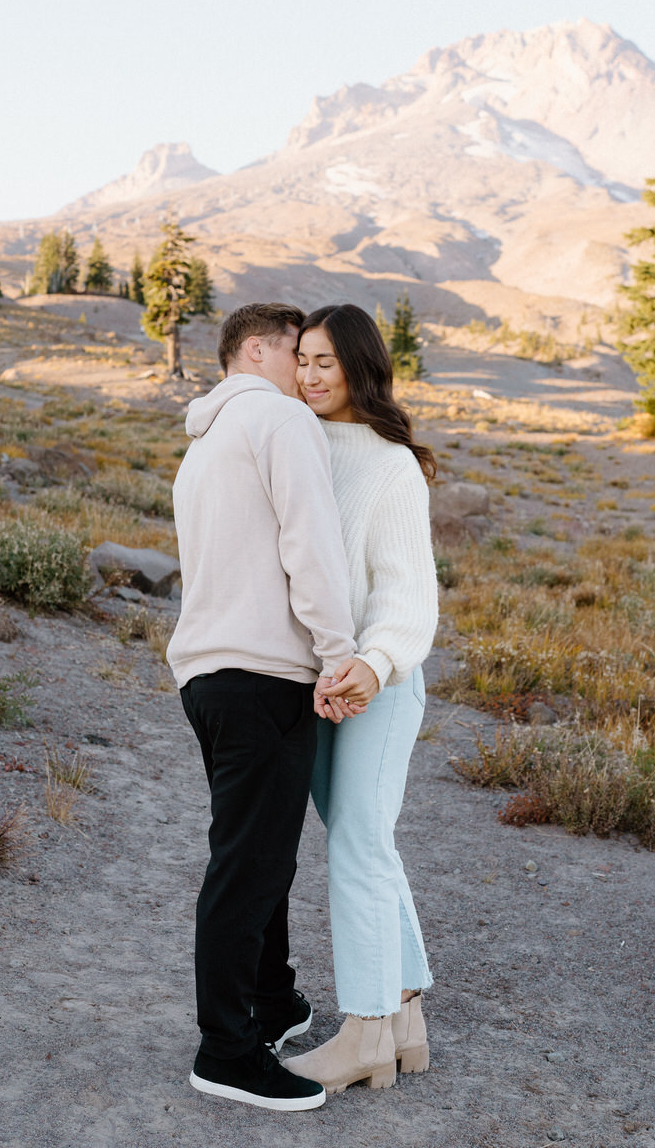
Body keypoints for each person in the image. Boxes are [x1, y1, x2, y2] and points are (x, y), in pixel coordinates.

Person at [168, 302, 360, 1113]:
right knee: (250, 863)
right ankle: (226, 1051)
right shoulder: (278, 422)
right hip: (265, 673)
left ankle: (274, 1004)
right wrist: (339, 652)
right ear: (257, 348)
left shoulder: (205, 442)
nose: (307, 371)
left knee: (256, 852)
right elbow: (308, 543)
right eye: (298, 353)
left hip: (208, 675)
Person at [284, 303, 439, 1095]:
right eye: (301, 360)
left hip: (379, 685)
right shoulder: (295, 441)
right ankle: (405, 1007)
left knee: (357, 843)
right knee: (361, 837)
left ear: (359, 367)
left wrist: (374, 667)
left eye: (325, 363)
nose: (310, 376)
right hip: (318, 684)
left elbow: (410, 595)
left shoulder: (388, 463)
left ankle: (366, 1032)